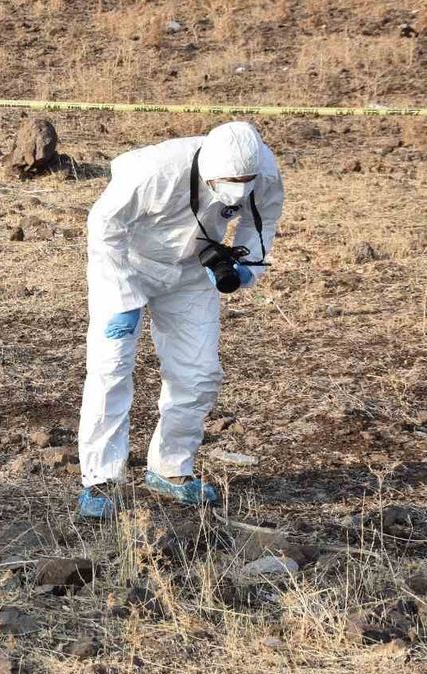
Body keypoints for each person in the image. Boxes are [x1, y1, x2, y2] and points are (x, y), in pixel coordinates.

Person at [75, 121, 284, 519]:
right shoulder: (152, 172)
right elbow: (104, 227)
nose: (238, 190)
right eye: (228, 182)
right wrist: (119, 295)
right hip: (128, 266)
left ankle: (171, 469)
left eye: (245, 182)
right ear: (208, 168)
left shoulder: (264, 170)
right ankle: (101, 479)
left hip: (192, 271)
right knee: (111, 366)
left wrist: (245, 265)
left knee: (199, 372)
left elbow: (263, 220)